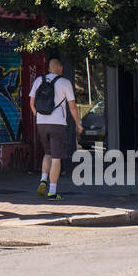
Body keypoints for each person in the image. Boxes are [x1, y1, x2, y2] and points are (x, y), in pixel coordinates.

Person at [28, 59, 82, 199]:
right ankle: (52, 191)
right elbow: (72, 106)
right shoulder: (65, 82)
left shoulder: (39, 80)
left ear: (49, 68)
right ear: (60, 68)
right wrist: (78, 123)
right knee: (57, 158)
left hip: (41, 123)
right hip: (58, 124)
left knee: (47, 153)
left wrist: (37, 115)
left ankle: (43, 179)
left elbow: (31, 102)